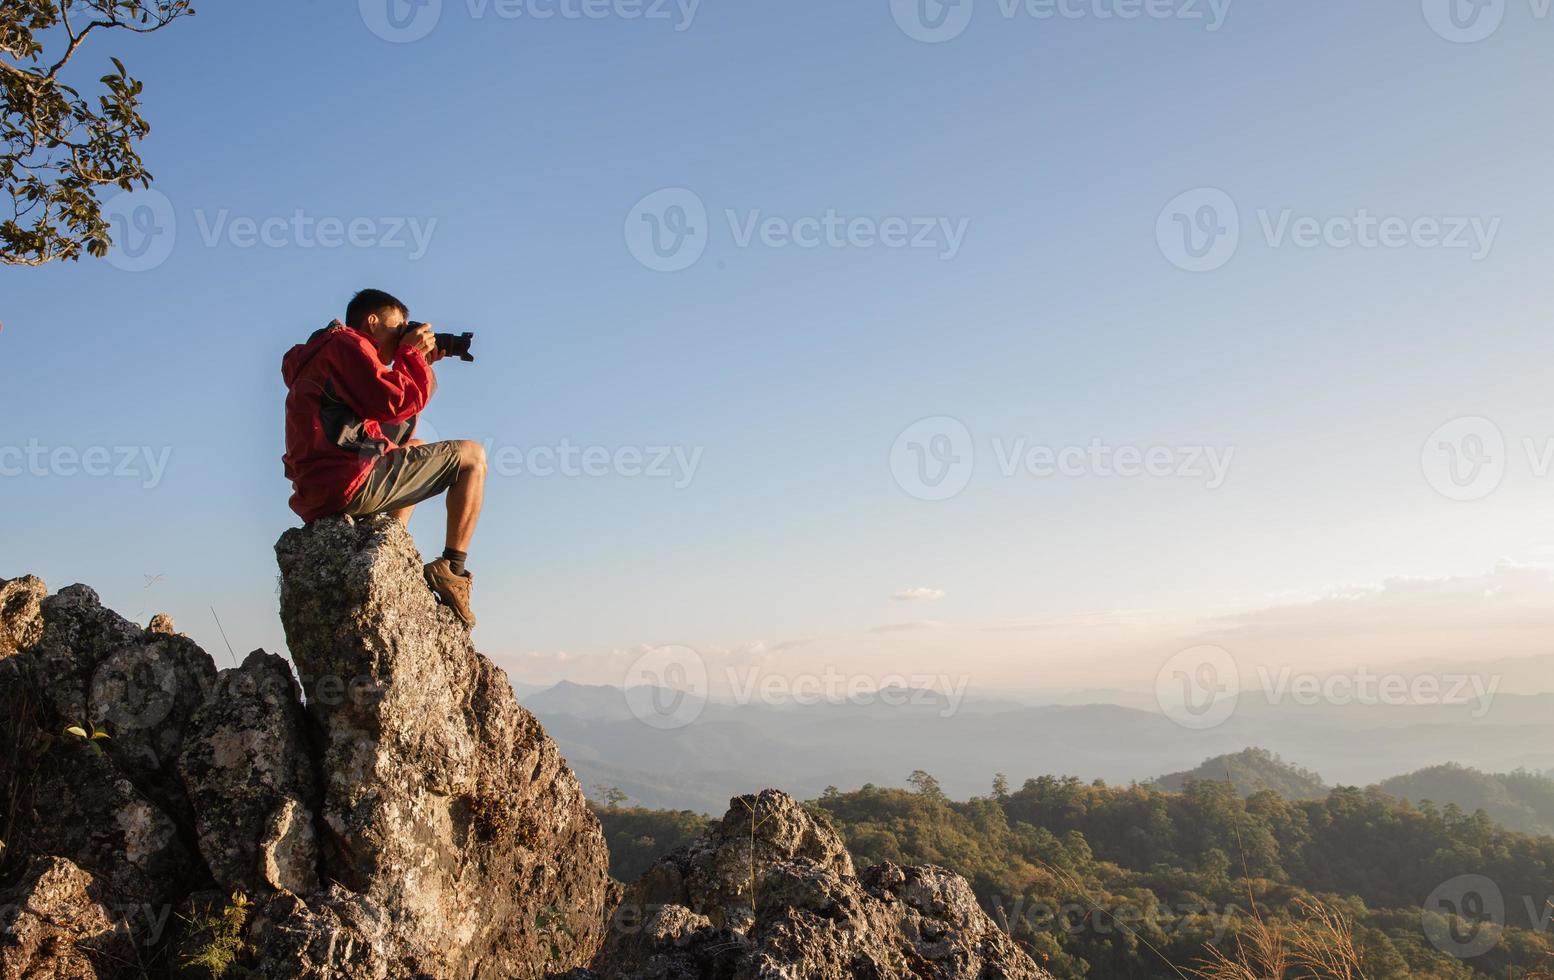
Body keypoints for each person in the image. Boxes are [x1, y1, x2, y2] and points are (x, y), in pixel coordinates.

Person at [281, 289, 486, 626]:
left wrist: (418, 362)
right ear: (372, 323)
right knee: (473, 458)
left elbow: (394, 425)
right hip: (349, 484)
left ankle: (390, 538)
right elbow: (396, 401)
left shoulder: (323, 354)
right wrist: (410, 354)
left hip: (321, 490)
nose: (402, 334)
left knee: (414, 445)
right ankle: (454, 569)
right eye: (397, 327)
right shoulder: (348, 345)